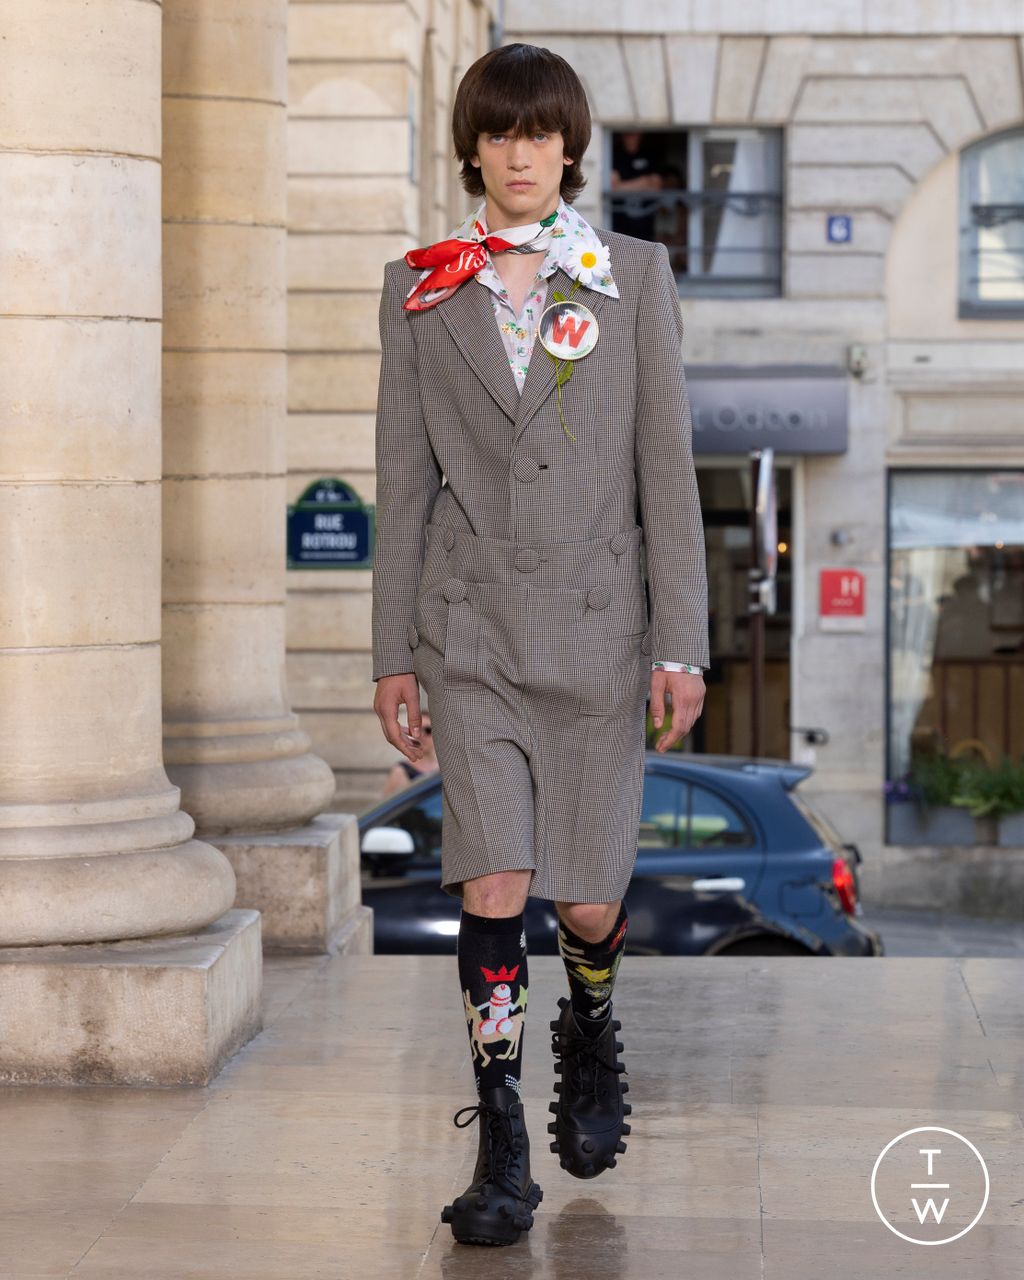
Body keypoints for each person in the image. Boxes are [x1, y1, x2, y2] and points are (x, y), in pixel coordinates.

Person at [371, 42, 708, 1247]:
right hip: (470, 637)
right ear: (473, 146)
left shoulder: (633, 275)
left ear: (569, 147)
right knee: (495, 880)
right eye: (499, 133)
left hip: (601, 634)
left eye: (540, 133)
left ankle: (592, 1021)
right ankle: (502, 1134)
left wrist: (685, 644)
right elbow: (400, 484)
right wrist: (390, 654)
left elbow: (665, 472)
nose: (519, 153)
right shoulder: (421, 285)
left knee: (586, 898)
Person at [380, 707, 439, 796]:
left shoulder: (446, 768)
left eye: (428, 730)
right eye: (417, 730)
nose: (421, 735)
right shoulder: (401, 771)